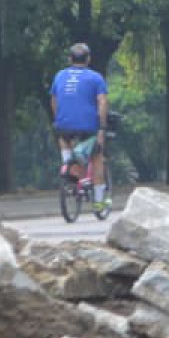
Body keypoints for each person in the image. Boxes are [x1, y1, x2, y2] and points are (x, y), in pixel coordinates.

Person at [50, 42, 111, 220]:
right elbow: (102, 102)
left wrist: (58, 119)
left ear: (70, 59)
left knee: (64, 138)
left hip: (64, 124)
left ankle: (68, 164)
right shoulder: (96, 78)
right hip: (88, 126)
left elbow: (54, 101)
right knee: (97, 156)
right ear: (88, 59)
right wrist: (101, 127)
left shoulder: (59, 76)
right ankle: (99, 202)